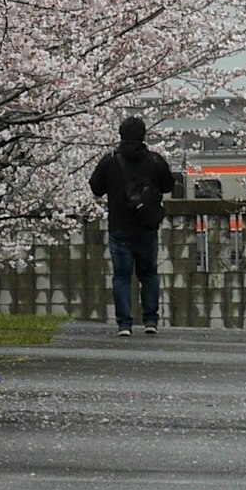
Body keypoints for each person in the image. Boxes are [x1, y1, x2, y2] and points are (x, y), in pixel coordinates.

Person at [85, 115, 179, 337]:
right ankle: (150, 321)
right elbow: (167, 185)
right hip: (147, 226)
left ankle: (124, 324)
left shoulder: (110, 160)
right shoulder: (155, 161)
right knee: (149, 274)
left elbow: (96, 187)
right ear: (143, 135)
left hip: (119, 226)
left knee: (121, 276)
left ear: (121, 134)